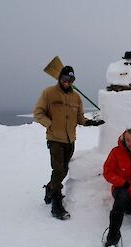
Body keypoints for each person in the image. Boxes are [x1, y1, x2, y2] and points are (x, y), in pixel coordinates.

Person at [34, 65, 104, 220]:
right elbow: (38, 113)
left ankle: (50, 188)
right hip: (55, 139)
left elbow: (80, 118)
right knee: (58, 170)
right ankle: (57, 205)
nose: (67, 82)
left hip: (70, 140)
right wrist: (50, 124)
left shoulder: (76, 97)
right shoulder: (49, 93)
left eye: (71, 79)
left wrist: (91, 123)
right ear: (60, 78)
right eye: (65, 79)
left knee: (64, 169)